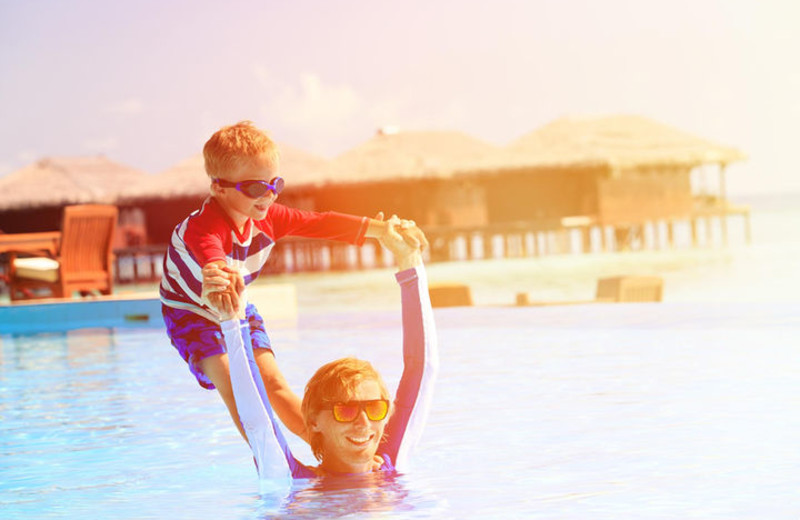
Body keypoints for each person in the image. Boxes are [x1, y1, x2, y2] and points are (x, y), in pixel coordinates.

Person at [160, 121, 428, 443]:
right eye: (256, 188)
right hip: (190, 313)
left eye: (276, 184)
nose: (269, 196)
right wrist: (216, 270)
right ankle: (274, 461)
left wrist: (382, 230)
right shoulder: (204, 228)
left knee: (274, 385)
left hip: (236, 305)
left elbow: (321, 223)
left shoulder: (269, 218)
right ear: (219, 188)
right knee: (235, 387)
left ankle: (324, 452)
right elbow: (211, 253)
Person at [221, 216, 437, 479]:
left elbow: (421, 367)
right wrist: (233, 322)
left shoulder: (394, 463)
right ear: (314, 421)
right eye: (345, 410)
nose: (364, 423)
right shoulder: (292, 481)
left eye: (375, 408)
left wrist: (409, 259)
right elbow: (256, 417)